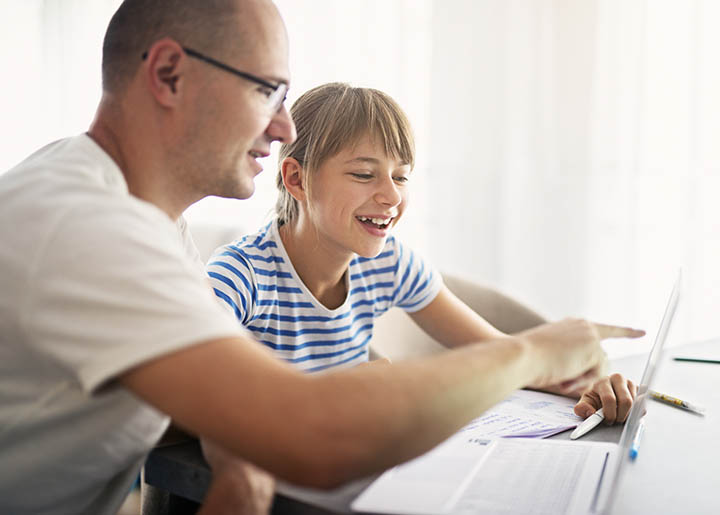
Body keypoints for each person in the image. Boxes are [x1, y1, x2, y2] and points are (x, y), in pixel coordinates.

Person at [0, 1, 642, 514]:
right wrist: (533, 350)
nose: (282, 128)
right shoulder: (89, 227)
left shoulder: (144, 222)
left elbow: (224, 398)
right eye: (266, 91)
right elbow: (306, 434)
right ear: (169, 75)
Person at [203, 82, 642, 508]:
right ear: (296, 178)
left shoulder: (388, 261)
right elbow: (201, 400)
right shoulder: (239, 276)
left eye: (401, 176)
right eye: (363, 174)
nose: (391, 196)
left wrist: (589, 384)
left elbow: (498, 353)